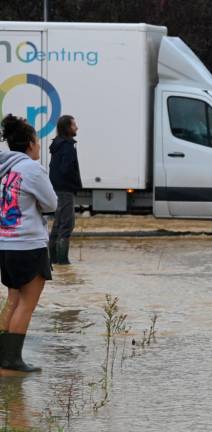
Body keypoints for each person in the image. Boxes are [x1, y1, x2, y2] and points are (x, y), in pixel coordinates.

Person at [0, 114, 58, 372]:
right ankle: (12, 361)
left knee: (12, 301)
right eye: (37, 141)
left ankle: (3, 358)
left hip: (5, 243)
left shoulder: (4, 168)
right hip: (28, 244)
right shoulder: (32, 169)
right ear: (30, 143)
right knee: (27, 303)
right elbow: (51, 204)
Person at [48, 115, 82, 265]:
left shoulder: (57, 144)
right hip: (65, 190)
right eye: (74, 125)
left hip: (56, 188)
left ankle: (53, 260)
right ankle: (63, 261)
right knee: (67, 225)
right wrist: (75, 183)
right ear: (67, 128)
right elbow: (66, 169)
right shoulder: (67, 145)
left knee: (58, 223)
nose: (77, 127)